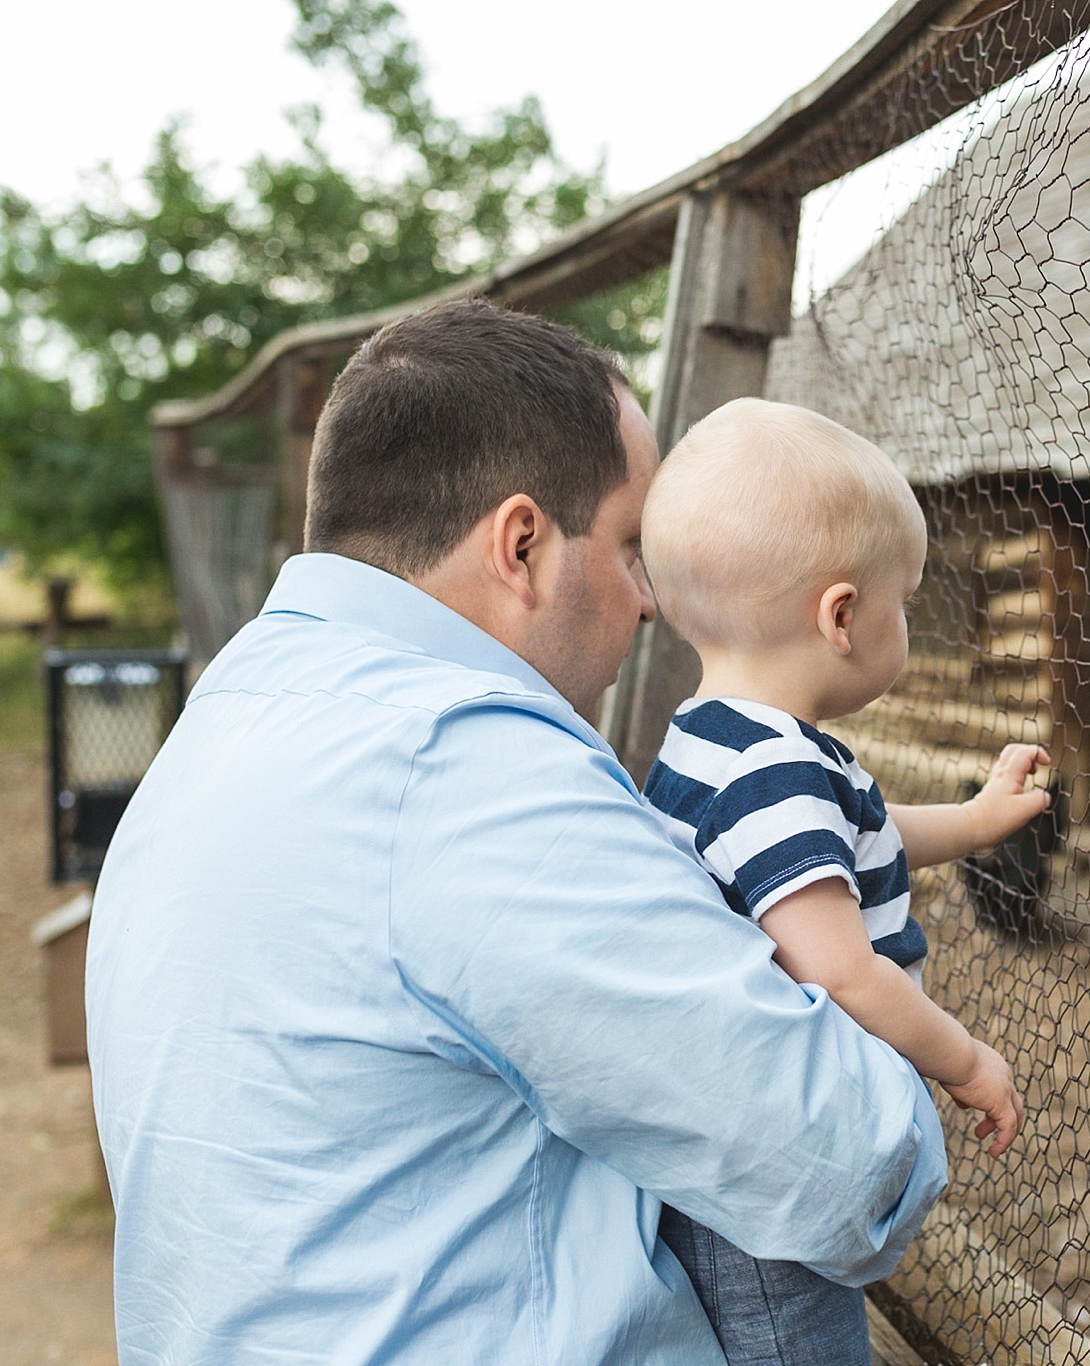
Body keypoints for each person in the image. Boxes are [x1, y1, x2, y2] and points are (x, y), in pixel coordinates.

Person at [85, 299, 946, 1366]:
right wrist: (908, 1047)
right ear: (523, 544)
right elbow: (844, 1167)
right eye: (632, 548)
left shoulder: (227, 718)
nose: (649, 604)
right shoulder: (462, 769)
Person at [639, 397, 1042, 1366]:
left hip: (727, 1145)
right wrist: (966, 1060)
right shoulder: (776, 769)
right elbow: (844, 970)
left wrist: (978, 820)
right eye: (903, 600)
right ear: (841, 616)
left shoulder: (714, 737)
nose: (904, 618)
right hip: (773, 1164)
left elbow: (852, 833)